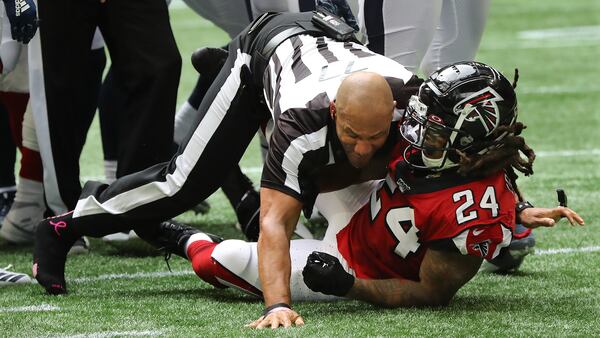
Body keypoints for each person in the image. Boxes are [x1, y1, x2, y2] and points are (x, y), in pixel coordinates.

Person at [145, 62, 584, 328]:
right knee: (302, 154)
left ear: (469, 137)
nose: (414, 128)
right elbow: (494, 174)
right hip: (365, 202)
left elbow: (431, 294)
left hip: (353, 263)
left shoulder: (472, 215)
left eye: (433, 126)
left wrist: (349, 285)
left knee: (221, 261)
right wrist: (520, 205)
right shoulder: (461, 154)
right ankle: (244, 97)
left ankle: (172, 234)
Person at [32, 11, 419, 295]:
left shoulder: (417, 107)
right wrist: (277, 305)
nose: (364, 146)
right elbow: (273, 222)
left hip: (324, 49)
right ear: (335, 113)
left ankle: (225, 93)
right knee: (184, 182)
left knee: (335, 167)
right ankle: (65, 224)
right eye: (353, 134)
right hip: (262, 55)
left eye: (376, 135)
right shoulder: (302, 121)